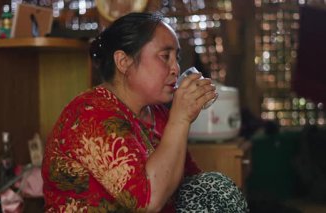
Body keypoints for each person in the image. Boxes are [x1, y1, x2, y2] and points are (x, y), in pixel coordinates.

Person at [41, 12, 248, 212]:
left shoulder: (157, 113)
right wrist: (180, 119)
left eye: (176, 57)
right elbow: (147, 201)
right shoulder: (89, 114)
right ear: (123, 62)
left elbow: (189, 179)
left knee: (215, 189)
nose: (176, 68)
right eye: (164, 56)